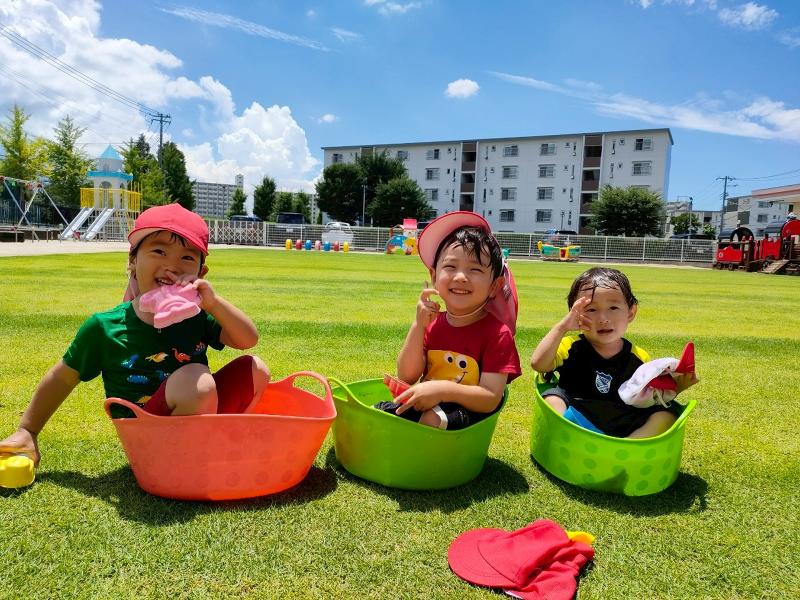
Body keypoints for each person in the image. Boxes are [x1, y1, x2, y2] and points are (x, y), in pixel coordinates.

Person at [0, 203, 270, 465]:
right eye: (159, 251)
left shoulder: (197, 315)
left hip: (195, 411)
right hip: (146, 433)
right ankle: (177, 461)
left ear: (201, 272)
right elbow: (61, 377)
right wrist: (28, 431)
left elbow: (247, 340)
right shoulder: (106, 327)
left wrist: (213, 303)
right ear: (132, 260)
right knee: (196, 380)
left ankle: (213, 443)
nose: (173, 265)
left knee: (255, 369)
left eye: (187, 257)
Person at [376, 212, 521, 430]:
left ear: (495, 286)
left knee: (431, 420)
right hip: (428, 402)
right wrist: (418, 326)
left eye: (475, 269)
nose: (461, 276)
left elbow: (490, 397)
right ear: (434, 276)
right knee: (381, 411)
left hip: (469, 413)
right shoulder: (433, 322)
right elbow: (407, 375)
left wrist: (441, 390)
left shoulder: (497, 333)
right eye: (451, 267)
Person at [530, 267, 689, 439]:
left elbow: (647, 398)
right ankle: (573, 435)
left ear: (631, 312)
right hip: (576, 413)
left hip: (621, 421)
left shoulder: (639, 357)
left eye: (613, 307)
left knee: (667, 414)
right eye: (591, 309)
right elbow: (539, 364)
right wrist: (562, 327)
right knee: (553, 398)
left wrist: (678, 386)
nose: (603, 318)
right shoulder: (571, 346)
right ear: (575, 314)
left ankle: (628, 446)